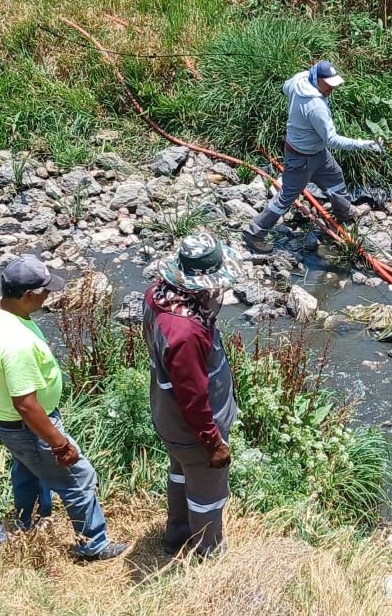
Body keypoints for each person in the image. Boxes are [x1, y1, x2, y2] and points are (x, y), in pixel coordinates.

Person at [0, 255, 128, 560]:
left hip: (3, 418)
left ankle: (28, 524)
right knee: (78, 478)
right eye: (45, 291)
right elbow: (26, 404)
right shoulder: (15, 344)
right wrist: (59, 445)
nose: (50, 296)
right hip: (29, 426)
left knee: (29, 469)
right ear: (27, 295)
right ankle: (93, 545)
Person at [142, 232, 239, 556]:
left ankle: (177, 534)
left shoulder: (157, 296)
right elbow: (193, 398)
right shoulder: (186, 333)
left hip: (168, 417)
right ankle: (208, 551)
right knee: (207, 492)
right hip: (194, 431)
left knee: (181, 474)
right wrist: (213, 443)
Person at [242, 60, 384, 253]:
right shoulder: (315, 107)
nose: (331, 89)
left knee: (335, 177)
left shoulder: (299, 80)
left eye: (334, 85)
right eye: (328, 85)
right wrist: (365, 144)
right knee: (286, 198)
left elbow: (286, 88)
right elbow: (332, 140)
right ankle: (254, 232)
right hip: (300, 159)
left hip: (316, 152)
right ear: (317, 80)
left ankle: (344, 212)